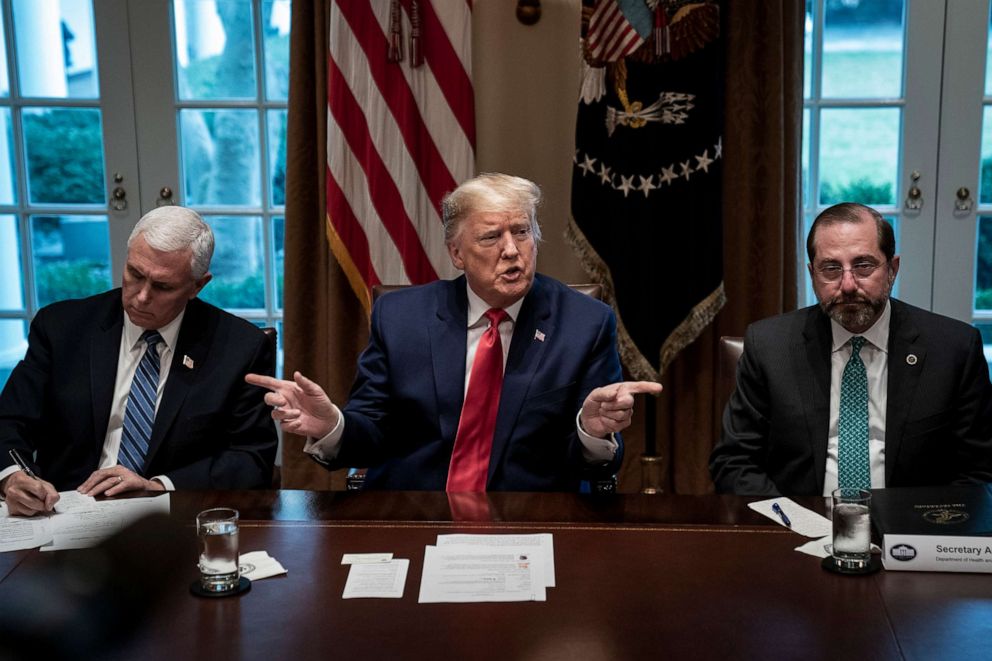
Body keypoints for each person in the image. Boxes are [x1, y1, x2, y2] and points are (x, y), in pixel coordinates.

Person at [248, 173, 662, 491]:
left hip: (528, 516)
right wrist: (331, 426)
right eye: (490, 237)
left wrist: (590, 430)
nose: (512, 250)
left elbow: (591, 463)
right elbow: (372, 433)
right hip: (414, 511)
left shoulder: (585, 323)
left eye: (522, 231)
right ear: (457, 253)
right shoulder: (400, 316)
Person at [0, 206, 277, 516]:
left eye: (163, 286)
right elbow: (10, 420)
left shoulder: (240, 348)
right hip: (62, 513)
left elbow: (251, 459)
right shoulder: (63, 328)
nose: (141, 296)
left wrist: (158, 487)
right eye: (135, 274)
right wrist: (12, 476)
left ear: (198, 285)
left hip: (171, 520)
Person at [710, 202, 992, 496]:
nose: (847, 284)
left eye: (863, 266)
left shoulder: (952, 349)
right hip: (799, 526)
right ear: (812, 274)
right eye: (830, 269)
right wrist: (792, 521)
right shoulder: (770, 346)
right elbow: (733, 462)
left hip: (911, 529)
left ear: (892, 269)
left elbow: (978, 470)